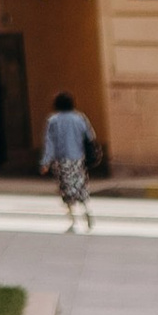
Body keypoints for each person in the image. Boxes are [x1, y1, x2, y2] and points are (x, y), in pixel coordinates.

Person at [40, 89, 101, 230]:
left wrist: (45, 162)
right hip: (78, 159)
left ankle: (74, 220)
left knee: (66, 190)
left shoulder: (53, 121)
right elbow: (91, 136)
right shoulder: (80, 118)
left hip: (61, 160)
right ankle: (87, 210)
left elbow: (50, 143)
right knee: (80, 186)